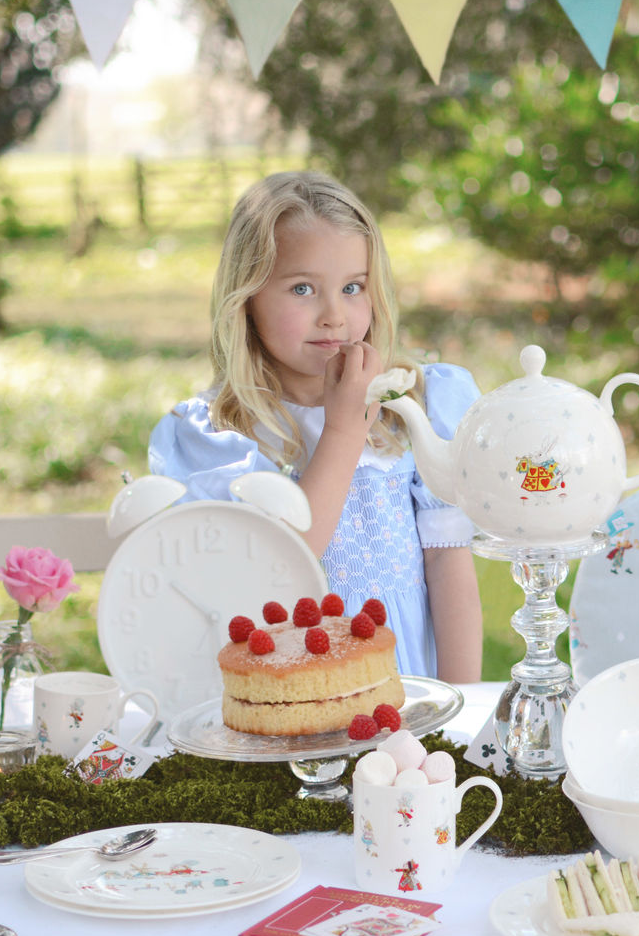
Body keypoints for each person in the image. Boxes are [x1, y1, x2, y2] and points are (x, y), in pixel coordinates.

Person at [148, 171, 483, 683]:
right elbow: (278, 571)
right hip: (287, 689)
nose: (334, 315)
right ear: (247, 298)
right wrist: (343, 433)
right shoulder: (223, 433)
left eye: (353, 288)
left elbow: (449, 569)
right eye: (303, 288)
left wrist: (461, 714)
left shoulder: (413, 405)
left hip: (406, 685)